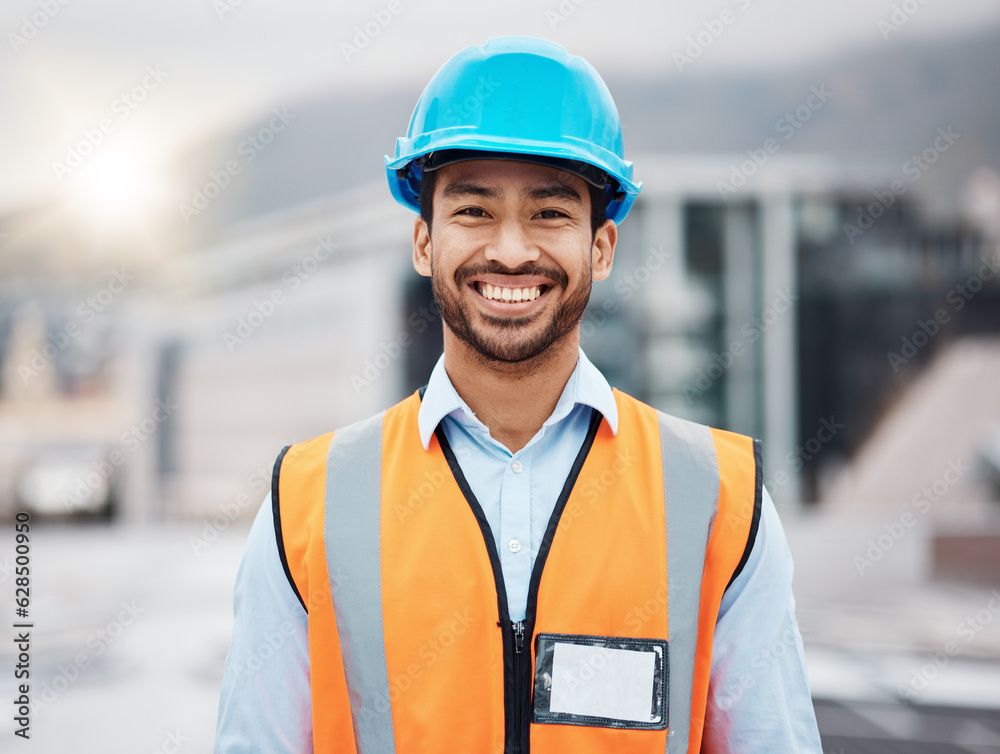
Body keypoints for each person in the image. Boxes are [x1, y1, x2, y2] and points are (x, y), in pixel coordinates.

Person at [214, 36, 822, 753]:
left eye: (550, 213)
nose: (510, 250)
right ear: (422, 242)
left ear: (601, 247)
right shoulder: (305, 506)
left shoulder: (721, 500)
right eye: (473, 211)